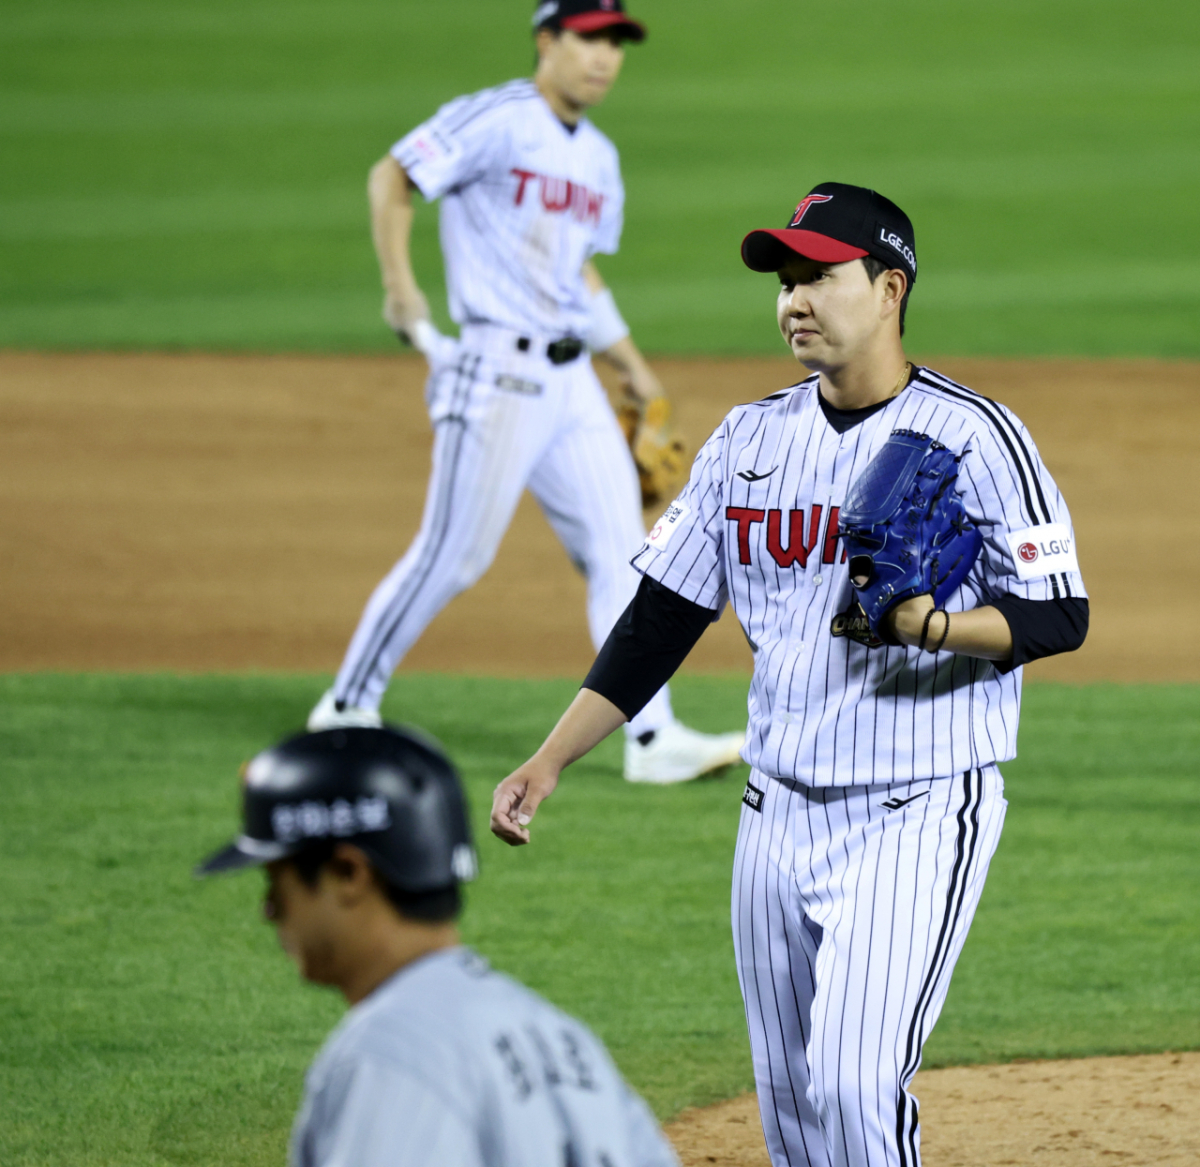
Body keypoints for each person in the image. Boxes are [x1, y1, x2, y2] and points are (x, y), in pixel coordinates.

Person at [490, 183, 1089, 1166]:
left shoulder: (979, 436)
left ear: (890, 289)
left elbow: (1060, 612)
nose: (794, 300)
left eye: (819, 276)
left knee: (852, 1087)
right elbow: (661, 619)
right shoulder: (748, 438)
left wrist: (934, 625)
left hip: (916, 808)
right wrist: (550, 760)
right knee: (792, 1112)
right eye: (784, 281)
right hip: (773, 814)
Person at [306, 0, 744, 785]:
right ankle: (345, 706)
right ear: (547, 41)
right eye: (589, 40)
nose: (604, 58)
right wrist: (401, 288)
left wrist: (631, 365)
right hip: (496, 367)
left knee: (624, 552)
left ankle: (651, 736)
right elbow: (393, 174)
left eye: (616, 43)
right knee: (454, 553)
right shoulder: (499, 118)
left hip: (572, 382)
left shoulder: (599, 156)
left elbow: (577, 270)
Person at [196, 725, 679, 1167]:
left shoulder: (389, 1057)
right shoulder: (563, 1040)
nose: (269, 910)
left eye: (276, 882)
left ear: (348, 874)